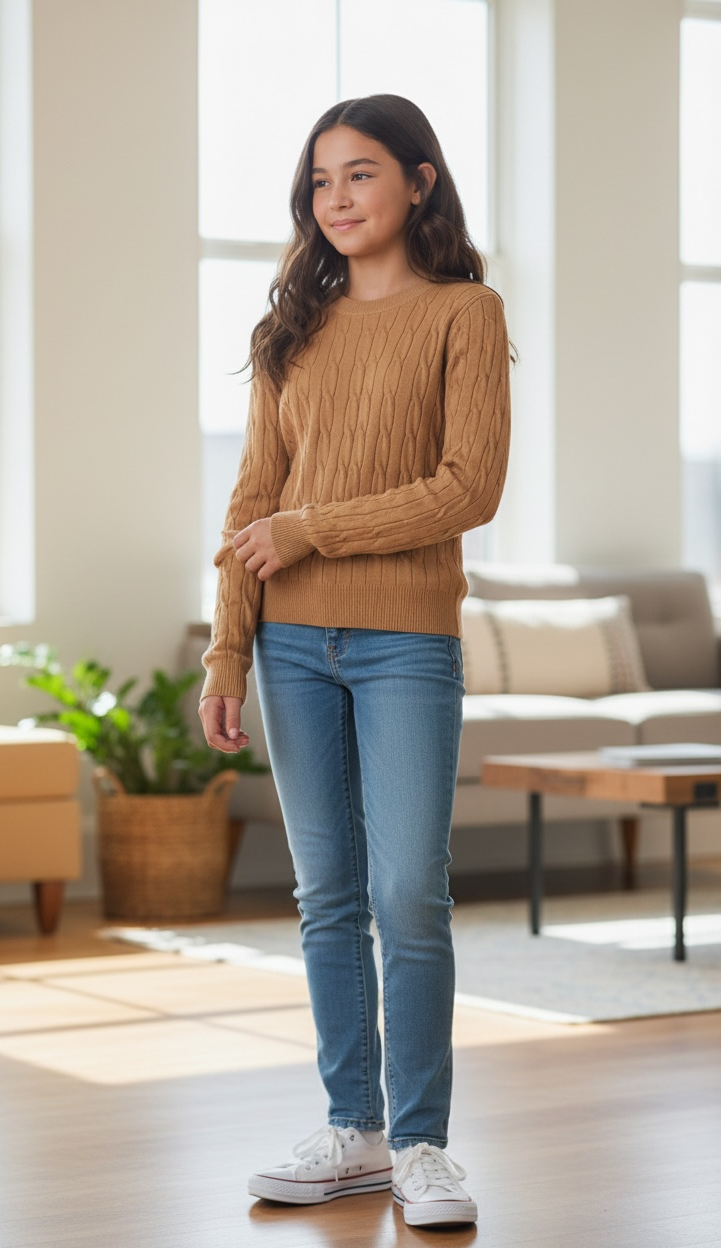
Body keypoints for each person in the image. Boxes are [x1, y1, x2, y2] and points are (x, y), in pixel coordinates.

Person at [198, 93, 511, 1230]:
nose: (336, 199)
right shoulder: (290, 330)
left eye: (361, 175)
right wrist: (228, 648)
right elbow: (248, 503)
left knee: (404, 894)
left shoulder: (464, 314)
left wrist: (313, 529)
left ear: (419, 182)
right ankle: (356, 1130)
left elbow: (466, 489)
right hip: (286, 644)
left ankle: (423, 1145)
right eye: (320, 182)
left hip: (404, 642)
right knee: (327, 896)